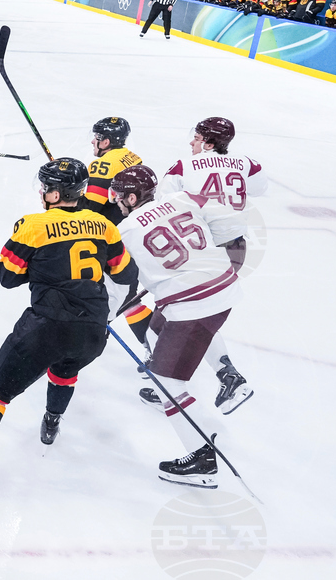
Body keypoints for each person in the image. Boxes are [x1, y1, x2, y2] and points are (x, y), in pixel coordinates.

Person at [0, 158, 138, 456]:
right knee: (65, 369)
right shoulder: (104, 226)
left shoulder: (32, 226)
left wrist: (44, 268)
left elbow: (7, 278)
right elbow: (125, 273)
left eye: (46, 187)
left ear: (56, 194)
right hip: (93, 330)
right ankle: (53, 419)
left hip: (45, 328)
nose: (41, 192)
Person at [110, 166, 249, 488]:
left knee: (166, 383)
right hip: (223, 287)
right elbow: (232, 224)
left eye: (119, 197)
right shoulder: (184, 198)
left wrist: (102, 315)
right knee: (157, 326)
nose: (116, 202)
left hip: (191, 306)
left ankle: (202, 459)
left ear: (132, 198)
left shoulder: (124, 231)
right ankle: (227, 373)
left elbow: (121, 285)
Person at [80, 117, 154, 347]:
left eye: (98, 138)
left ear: (107, 142)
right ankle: (154, 348)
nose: (94, 141)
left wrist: (69, 192)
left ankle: (88, 340)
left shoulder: (102, 165)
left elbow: (89, 210)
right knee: (128, 299)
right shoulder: (131, 156)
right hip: (135, 229)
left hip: (112, 238)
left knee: (107, 296)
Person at [160, 117, 267, 272]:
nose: (191, 143)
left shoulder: (183, 166)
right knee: (222, 293)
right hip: (235, 248)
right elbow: (259, 189)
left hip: (198, 247)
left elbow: (162, 202)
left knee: (192, 292)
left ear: (208, 145)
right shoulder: (247, 163)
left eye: (196, 139)